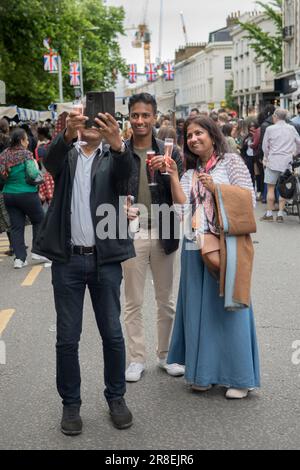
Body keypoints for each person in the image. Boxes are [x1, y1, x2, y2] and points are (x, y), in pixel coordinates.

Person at [33, 106, 135, 435]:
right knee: (67, 338)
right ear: (76, 125)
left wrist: (117, 142)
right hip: (68, 261)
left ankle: (116, 398)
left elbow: (127, 178)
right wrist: (64, 134)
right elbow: (48, 161)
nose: (92, 126)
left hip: (105, 261)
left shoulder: (115, 154)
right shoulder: (65, 155)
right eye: (87, 121)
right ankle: (71, 405)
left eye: (99, 121)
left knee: (113, 335)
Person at [156, 116, 260, 399]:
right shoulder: (193, 168)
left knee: (231, 309)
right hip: (195, 244)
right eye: (188, 135)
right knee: (197, 310)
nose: (193, 139)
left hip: (227, 245)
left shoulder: (232, 162)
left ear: (213, 135)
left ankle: (240, 378)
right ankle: (203, 374)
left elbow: (248, 201)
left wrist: (216, 188)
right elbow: (182, 207)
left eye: (198, 133)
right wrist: (175, 176)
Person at [122, 92, 185, 382]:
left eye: (145, 115)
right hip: (132, 233)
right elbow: (107, 189)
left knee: (165, 300)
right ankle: (136, 359)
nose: (140, 120)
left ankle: (165, 355)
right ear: (129, 117)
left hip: (165, 231)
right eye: (135, 115)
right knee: (133, 301)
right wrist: (118, 204)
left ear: (154, 116)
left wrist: (169, 171)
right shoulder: (119, 152)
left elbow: (180, 195)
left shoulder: (171, 152)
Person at [0, 128, 44, 268]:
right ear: (21, 141)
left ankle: (19, 259)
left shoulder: (4, 155)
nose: (27, 142)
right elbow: (32, 174)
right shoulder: (26, 155)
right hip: (27, 194)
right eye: (26, 139)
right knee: (40, 220)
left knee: (16, 226)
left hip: (8, 194)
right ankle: (37, 251)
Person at [260, 108, 300, 223]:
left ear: (275, 116)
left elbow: (264, 147)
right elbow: (299, 143)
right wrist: (295, 153)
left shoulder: (270, 129)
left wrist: (267, 157)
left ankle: (269, 213)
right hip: (287, 162)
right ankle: (280, 214)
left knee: (270, 188)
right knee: (284, 187)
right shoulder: (291, 128)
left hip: (273, 162)